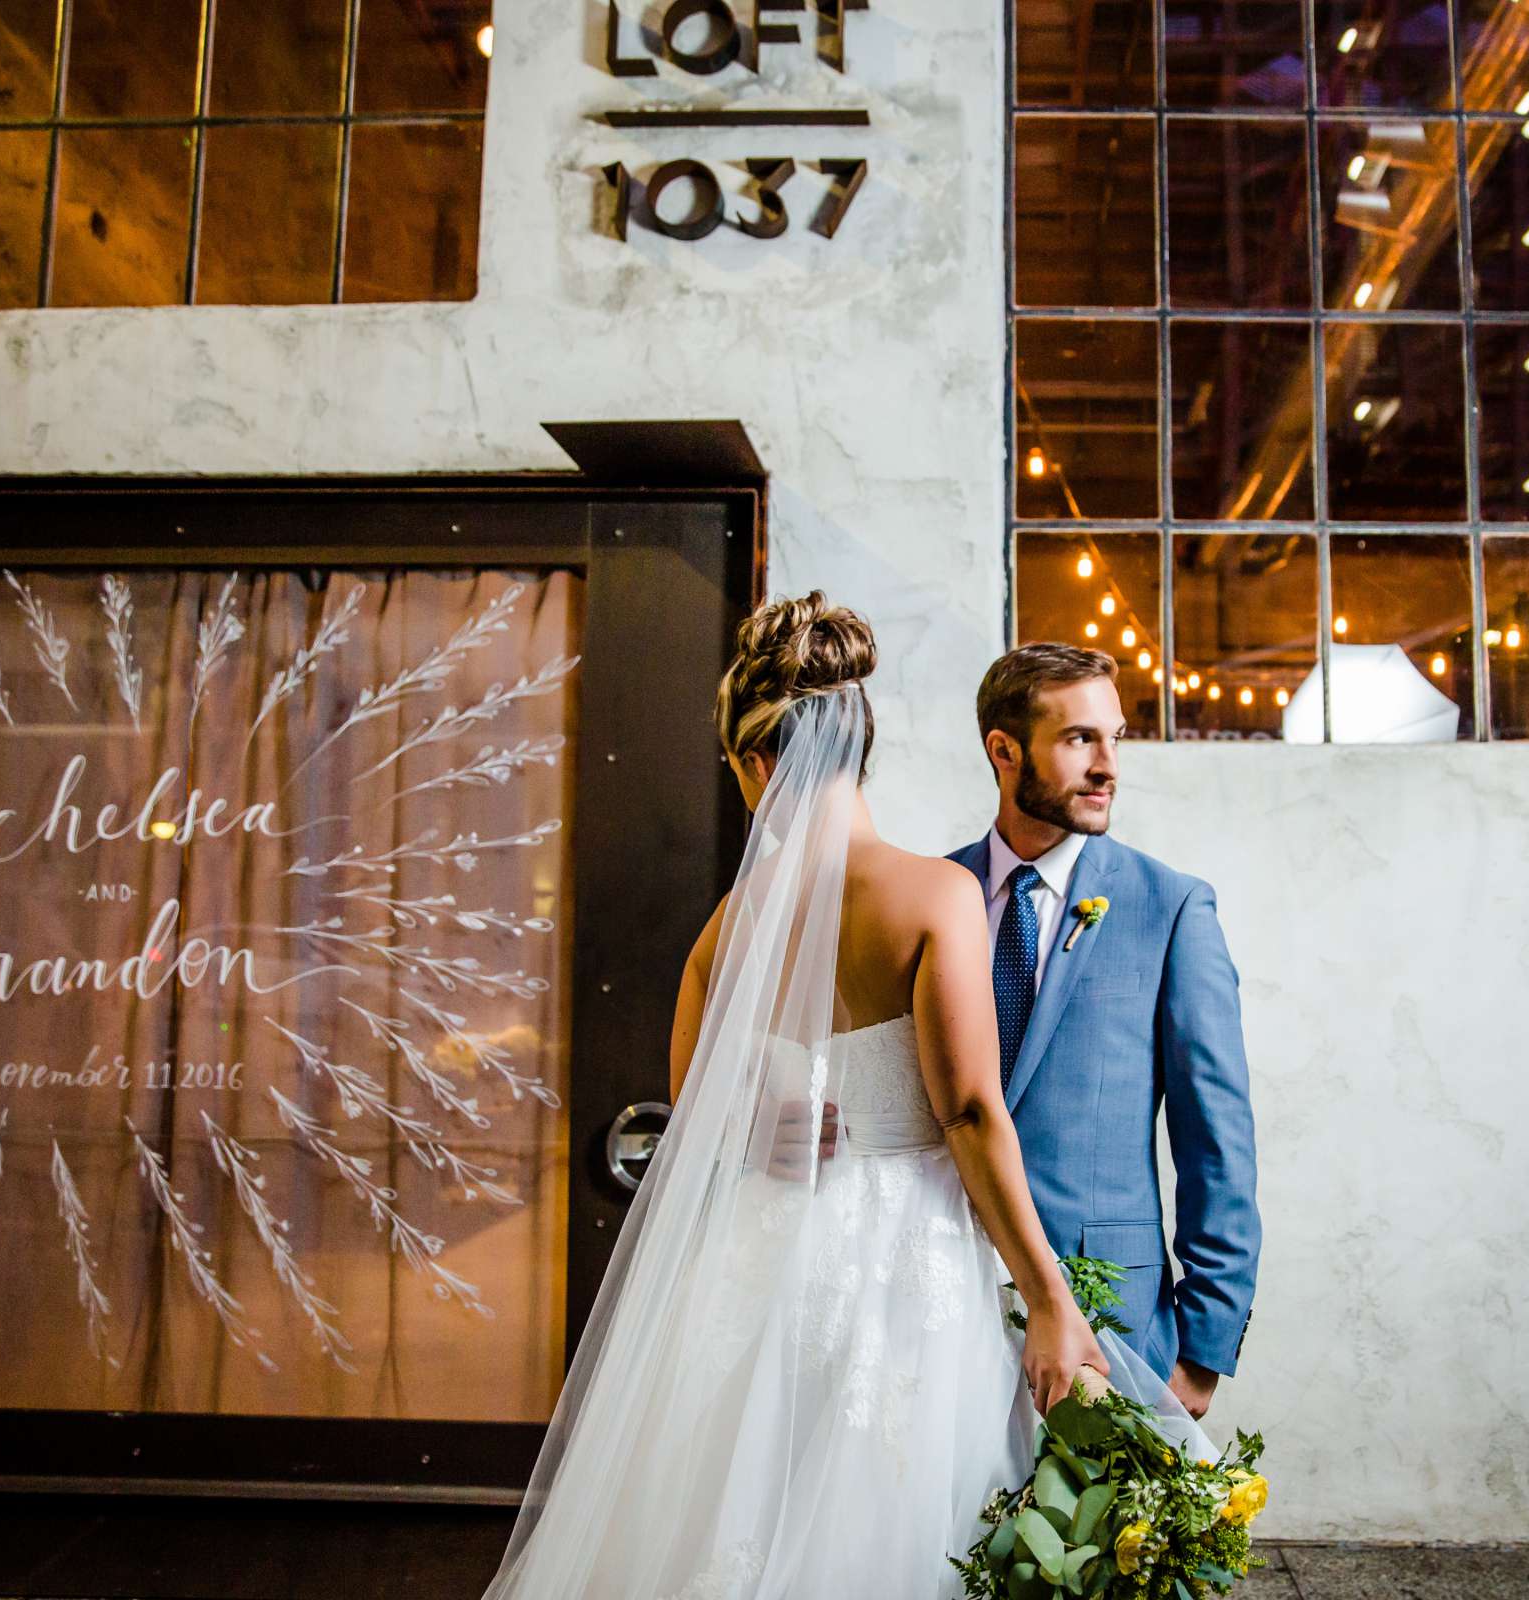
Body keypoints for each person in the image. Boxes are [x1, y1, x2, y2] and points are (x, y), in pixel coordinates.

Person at [478, 593, 1212, 1600]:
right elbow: (967, 1111)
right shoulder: (932, 895)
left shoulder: (723, 934)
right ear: (859, 742)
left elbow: (702, 1120)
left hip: (761, 1263)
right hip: (909, 1277)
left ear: (754, 763)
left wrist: (760, 1131)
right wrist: (1048, 1299)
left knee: (730, 1517)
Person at [946, 644, 1260, 1421]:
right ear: (1004, 749)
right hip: (938, 1303)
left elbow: (1217, 1142)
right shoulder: (930, 897)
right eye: (1080, 738)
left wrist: (1203, 1350)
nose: (1108, 765)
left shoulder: (1170, 907)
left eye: (1115, 738)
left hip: (1113, 1325)